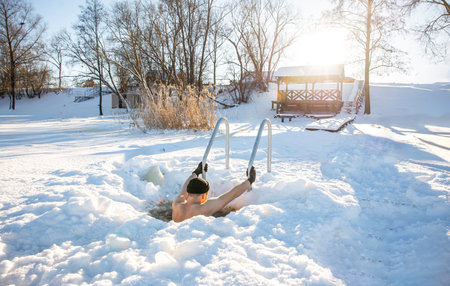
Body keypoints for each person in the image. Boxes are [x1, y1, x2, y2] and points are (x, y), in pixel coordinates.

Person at [172, 162, 256, 223]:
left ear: (188, 192)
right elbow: (230, 195)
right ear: (204, 195)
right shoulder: (203, 208)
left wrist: (196, 172)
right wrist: (250, 180)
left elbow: (185, 186)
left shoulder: (177, 203)